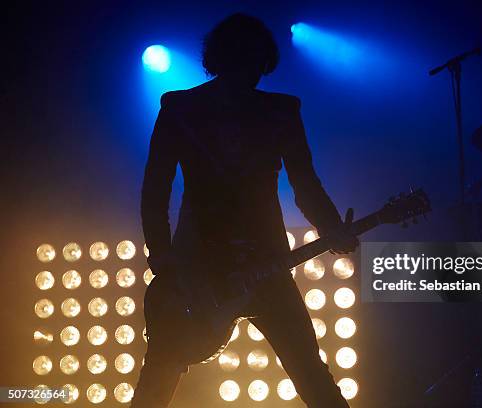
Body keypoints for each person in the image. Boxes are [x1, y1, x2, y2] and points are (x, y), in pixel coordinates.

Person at [131, 13, 358, 408]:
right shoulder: (187, 108)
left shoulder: (195, 108)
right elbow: (154, 191)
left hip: (242, 264)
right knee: (311, 377)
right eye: (247, 61)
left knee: (309, 374)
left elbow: (155, 194)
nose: (252, 72)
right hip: (209, 267)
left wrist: (332, 226)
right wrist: (167, 266)